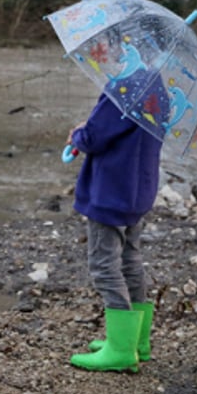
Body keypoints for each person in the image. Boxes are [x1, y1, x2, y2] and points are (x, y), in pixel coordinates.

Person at [65, 88, 163, 372]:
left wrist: (79, 135)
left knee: (104, 265)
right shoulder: (158, 90)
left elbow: (95, 137)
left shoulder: (123, 89)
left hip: (110, 191)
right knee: (130, 260)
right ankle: (137, 343)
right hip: (137, 190)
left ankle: (121, 350)